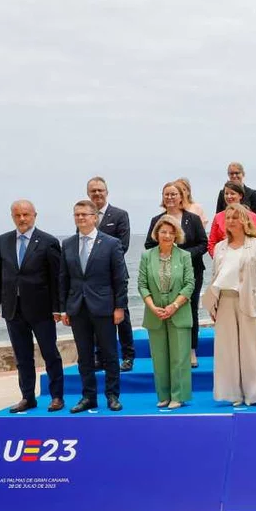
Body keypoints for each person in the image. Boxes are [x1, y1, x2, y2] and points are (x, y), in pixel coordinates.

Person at [0, 200, 65, 413]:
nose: (22, 219)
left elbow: (56, 278)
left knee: (50, 353)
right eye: (17, 215)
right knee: (22, 357)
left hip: (41, 310)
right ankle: (27, 397)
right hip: (13, 309)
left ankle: (57, 396)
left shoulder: (48, 241)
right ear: (12, 216)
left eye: (26, 215)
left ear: (34, 215)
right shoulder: (2, 241)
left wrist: (58, 308)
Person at [60, 200, 127, 413]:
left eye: (85, 214)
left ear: (94, 217)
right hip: (77, 308)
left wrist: (120, 307)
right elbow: (63, 277)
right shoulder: (68, 244)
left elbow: (120, 278)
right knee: (85, 356)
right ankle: (88, 396)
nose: (80, 218)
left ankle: (112, 395)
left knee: (108, 353)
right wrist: (64, 308)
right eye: (77, 214)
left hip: (104, 307)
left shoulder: (110, 243)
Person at [202, 204, 256, 406]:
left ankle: (255, 394)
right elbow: (215, 276)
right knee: (227, 350)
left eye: (235, 217)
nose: (231, 221)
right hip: (224, 300)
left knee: (253, 348)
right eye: (228, 218)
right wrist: (212, 304)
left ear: (244, 220)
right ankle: (232, 394)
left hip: (251, 300)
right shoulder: (219, 247)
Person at [146, 182, 208, 368]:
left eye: (174, 194)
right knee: (166, 308)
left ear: (182, 197)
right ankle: (170, 351)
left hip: (191, 271)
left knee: (191, 309)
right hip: (163, 273)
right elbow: (149, 245)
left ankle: (191, 350)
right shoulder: (156, 220)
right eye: (167, 194)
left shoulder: (193, 219)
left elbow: (203, 244)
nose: (170, 198)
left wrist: (184, 256)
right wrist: (166, 254)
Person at [137, 215, 194, 408]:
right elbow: (142, 285)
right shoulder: (147, 256)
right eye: (163, 232)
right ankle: (163, 395)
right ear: (157, 234)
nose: (167, 235)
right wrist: (152, 307)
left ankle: (178, 396)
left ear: (176, 235)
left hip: (178, 312)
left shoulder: (184, 256)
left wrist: (174, 306)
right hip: (155, 314)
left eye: (171, 232)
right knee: (159, 358)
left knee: (179, 357)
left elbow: (189, 285)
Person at [86, 176, 135, 372]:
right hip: (92, 279)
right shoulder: (86, 217)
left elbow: (123, 245)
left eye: (100, 190)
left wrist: (100, 261)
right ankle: (100, 356)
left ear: (107, 192)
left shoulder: (119, 215)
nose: (97, 194)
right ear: (88, 194)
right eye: (93, 191)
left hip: (115, 276)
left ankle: (128, 355)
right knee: (96, 317)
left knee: (122, 315)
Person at [207, 181, 256, 256]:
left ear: (240, 195)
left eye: (232, 193)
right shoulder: (218, 217)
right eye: (226, 194)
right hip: (223, 261)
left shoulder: (252, 216)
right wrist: (218, 258)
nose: (229, 196)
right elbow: (212, 243)